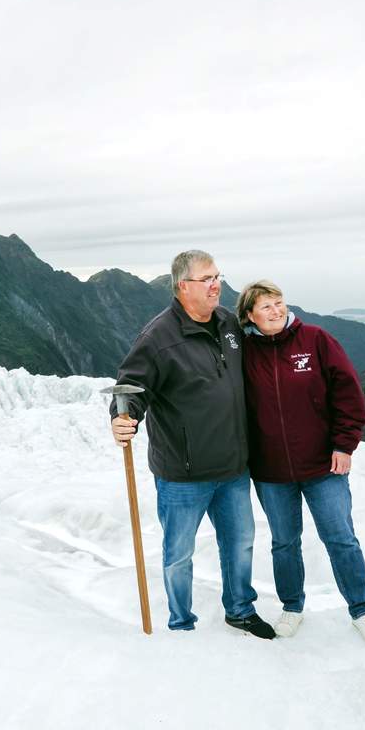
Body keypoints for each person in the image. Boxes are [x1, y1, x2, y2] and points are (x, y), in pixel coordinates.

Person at [109, 250, 275, 638]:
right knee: (178, 554)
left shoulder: (229, 323)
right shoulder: (158, 338)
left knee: (240, 543)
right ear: (183, 286)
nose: (217, 285)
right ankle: (181, 623)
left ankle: (240, 610)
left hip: (232, 466)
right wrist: (122, 416)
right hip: (183, 474)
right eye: (207, 279)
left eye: (217, 276)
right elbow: (130, 386)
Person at [236, 279, 365, 648]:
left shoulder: (316, 340)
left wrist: (344, 445)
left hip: (324, 467)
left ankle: (362, 611)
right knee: (284, 542)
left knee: (341, 539)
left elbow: (349, 395)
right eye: (266, 306)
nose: (276, 310)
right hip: (271, 471)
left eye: (279, 302)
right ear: (250, 316)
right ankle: (292, 607)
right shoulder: (244, 351)